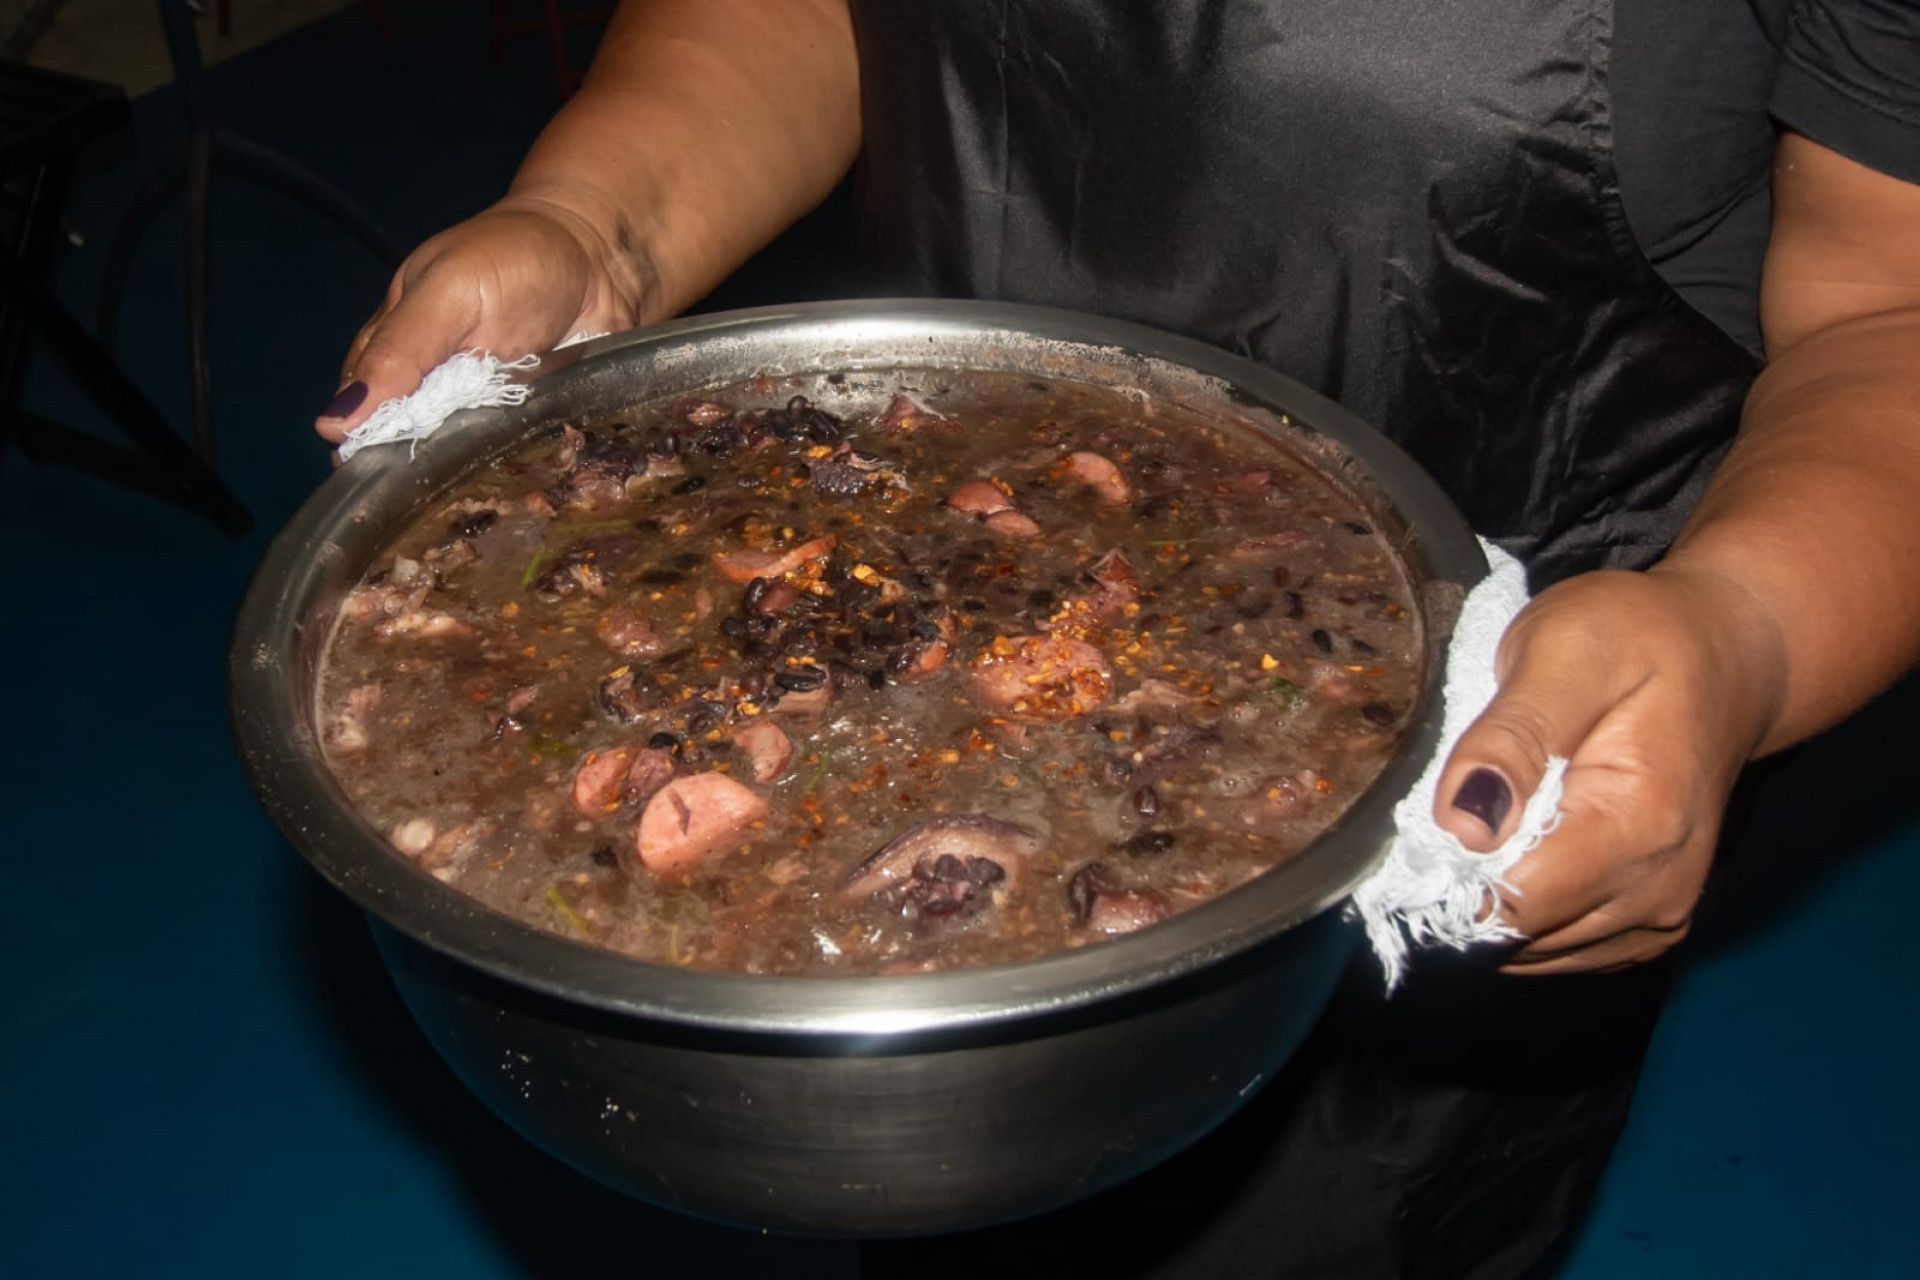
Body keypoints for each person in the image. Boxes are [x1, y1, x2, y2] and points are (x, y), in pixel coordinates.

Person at [315, 2, 1920, 1274]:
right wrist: (595, 223)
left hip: (1481, 741)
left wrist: (1743, 632)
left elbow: (1889, 312)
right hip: (917, 512)